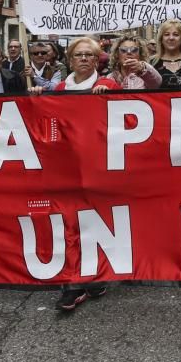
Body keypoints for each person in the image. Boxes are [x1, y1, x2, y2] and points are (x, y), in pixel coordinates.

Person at [51, 37, 118, 311]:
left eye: (90, 55)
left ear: (97, 60)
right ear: (70, 60)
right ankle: (73, 283)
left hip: (100, 166)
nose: (83, 59)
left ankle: (95, 275)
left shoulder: (110, 86)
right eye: (78, 54)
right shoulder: (59, 88)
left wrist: (110, 98)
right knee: (71, 223)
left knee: (98, 222)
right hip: (67, 167)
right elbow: (51, 128)